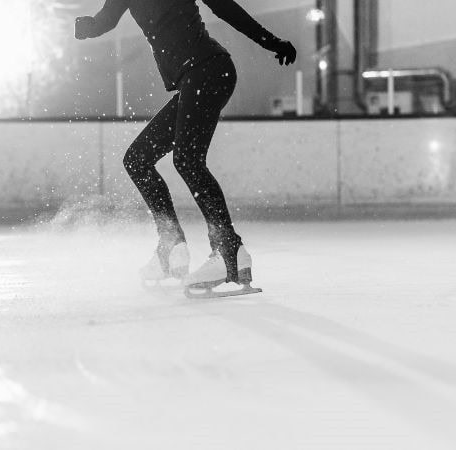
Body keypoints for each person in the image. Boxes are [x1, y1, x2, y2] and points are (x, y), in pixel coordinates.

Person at [75, 0, 296, 296]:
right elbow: (106, 20)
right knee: (138, 160)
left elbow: (224, 7)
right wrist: (87, 27)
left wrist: (273, 42)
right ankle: (170, 244)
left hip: (209, 70)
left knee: (188, 161)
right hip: (195, 77)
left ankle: (227, 250)